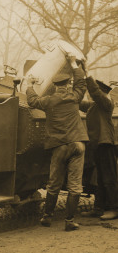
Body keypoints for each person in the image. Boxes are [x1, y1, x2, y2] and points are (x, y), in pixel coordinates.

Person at [26, 54, 88, 231]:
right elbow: (81, 82)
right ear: (68, 85)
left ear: (54, 86)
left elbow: (32, 101)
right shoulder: (75, 97)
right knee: (75, 184)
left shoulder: (49, 101)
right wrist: (74, 64)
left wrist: (30, 85)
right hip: (78, 143)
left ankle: (47, 217)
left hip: (60, 145)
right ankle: (69, 221)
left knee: (54, 183)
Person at [80, 77, 118, 220]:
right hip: (98, 145)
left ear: (102, 92)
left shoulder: (106, 103)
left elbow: (95, 93)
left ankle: (115, 208)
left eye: (93, 91)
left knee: (110, 178)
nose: (90, 94)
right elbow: (79, 102)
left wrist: (87, 76)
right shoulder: (94, 105)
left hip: (106, 144)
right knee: (101, 179)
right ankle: (98, 208)